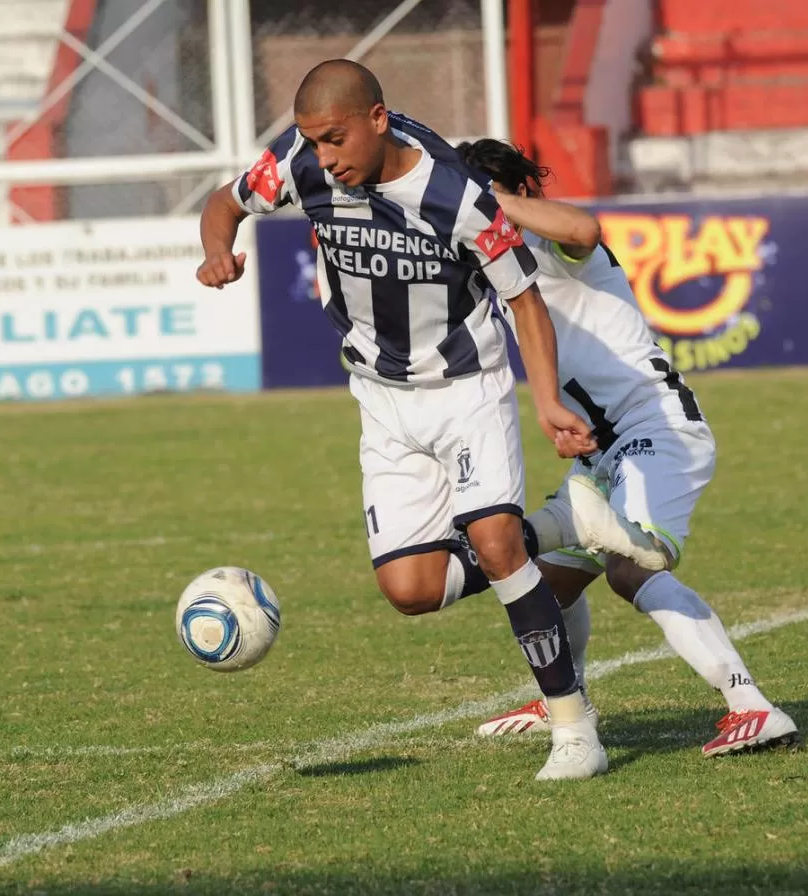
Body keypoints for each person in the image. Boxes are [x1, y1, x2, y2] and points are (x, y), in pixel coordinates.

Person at [195, 60, 616, 780]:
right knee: (410, 592)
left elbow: (525, 302)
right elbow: (223, 201)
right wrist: (216, 252)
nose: (324, 158)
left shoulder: (457, 196)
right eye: (312, 142)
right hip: (381, 402)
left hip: (465, 389)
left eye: (334, 139)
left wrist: (547, 402)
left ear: (378, 120)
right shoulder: (302, 166)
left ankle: (575, 729)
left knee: (496, 548)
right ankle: (561, 526)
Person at [447, 139, 800, 757]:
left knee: (632, 568)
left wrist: (494, 202)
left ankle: (752, 706)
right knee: (542, 586)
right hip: (602, 453)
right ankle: (567, 698)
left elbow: (585, 224)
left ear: (517, 193)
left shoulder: (561, 247)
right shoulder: (494, 265)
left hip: (655, 426)